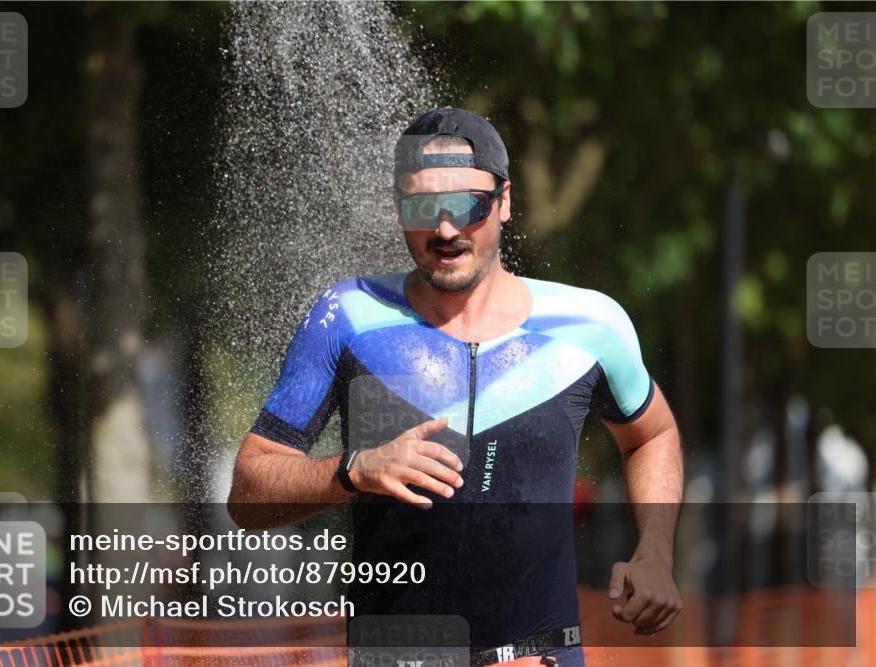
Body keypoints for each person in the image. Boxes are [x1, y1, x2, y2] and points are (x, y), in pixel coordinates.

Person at [228, 107, 684, 666]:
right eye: (422, 208)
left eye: (467, 206)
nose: (445, 230)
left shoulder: (589, 324)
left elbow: (652, 435)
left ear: (506, 201)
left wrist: (656, 552)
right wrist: (353, 470)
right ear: (398, 210)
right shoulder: (346, 318)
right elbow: (248, 495)